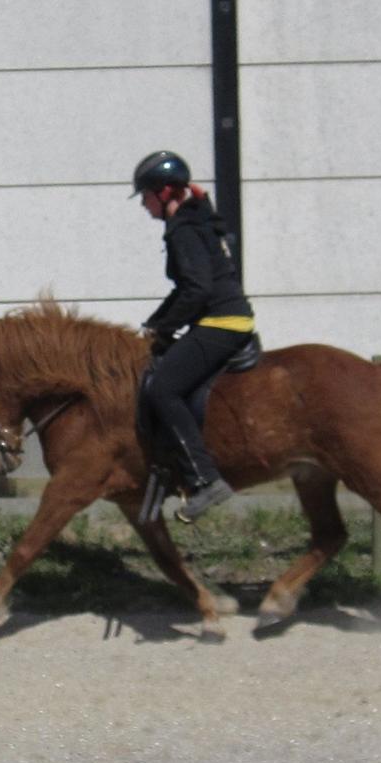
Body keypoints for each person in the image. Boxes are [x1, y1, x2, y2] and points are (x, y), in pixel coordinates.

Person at [131, 150, 255, 522]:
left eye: (146, 195)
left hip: (221, 322)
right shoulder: (195, 221)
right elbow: (186, 288)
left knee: (162, 389)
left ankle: (204, 479)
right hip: (223, 319)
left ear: (165, 192)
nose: (143, 204)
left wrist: (166, 326)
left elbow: (198, 290)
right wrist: (156, 323)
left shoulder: (184, 229)